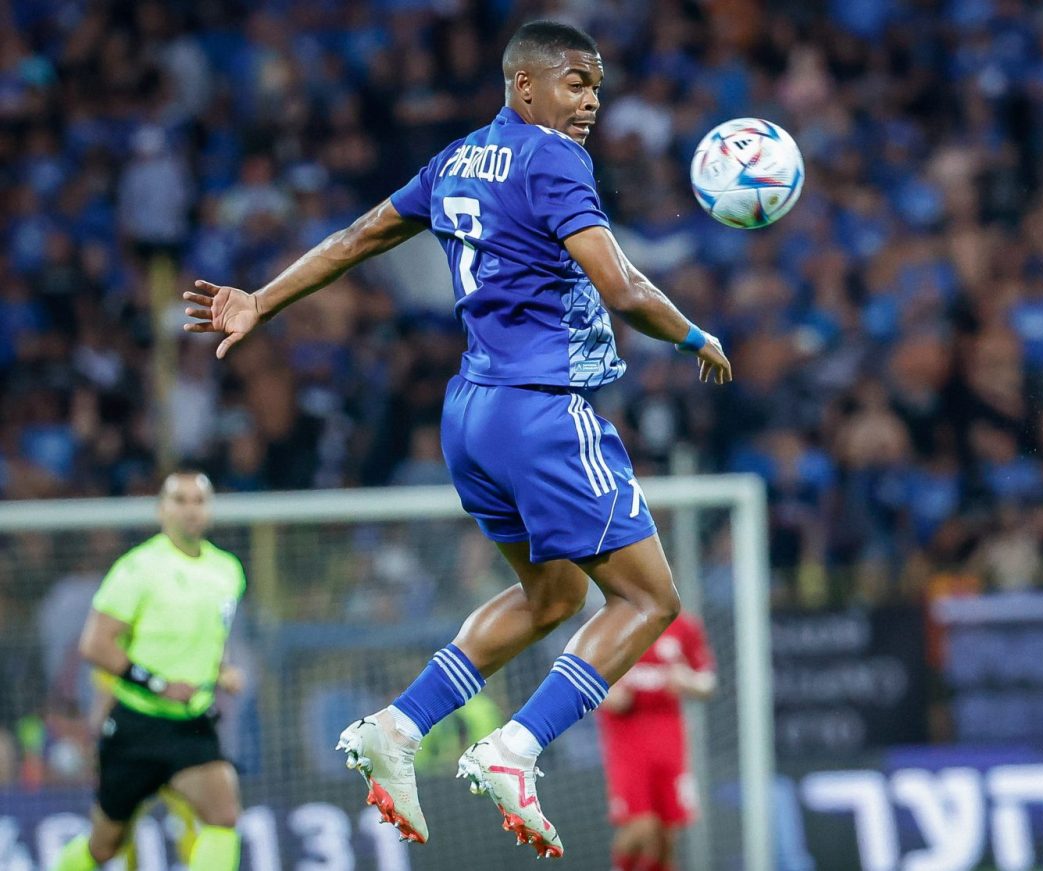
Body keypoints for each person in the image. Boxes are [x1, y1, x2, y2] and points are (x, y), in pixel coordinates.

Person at [184, 20, 731, 858]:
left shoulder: (457, 160)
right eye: (576, 83)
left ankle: (398, 726)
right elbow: (619, 286)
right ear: (525, 86)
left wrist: (262, 298)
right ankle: (517, 747)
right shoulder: (554, 159)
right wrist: (695, 335)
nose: (591, 101)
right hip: (543, 411)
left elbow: (357, 237)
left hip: (471, 416)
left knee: (552, 597)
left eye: (596, 86)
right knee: (650, 600)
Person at [52, 472, 247, 871]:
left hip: (191, 724)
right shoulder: (137, 568)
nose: (190, 510)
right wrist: (158, 684)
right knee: (104, 847)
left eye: (199, 501)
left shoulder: (227, 570)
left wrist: (222, 668)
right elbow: (95, 644)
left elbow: (210, 635)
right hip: (137, 726)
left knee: (224, 815)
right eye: (180, 500)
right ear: (161, 510)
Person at [597, 613, 716, 871]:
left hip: (669, 735)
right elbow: (588, 678)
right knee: (642, 825)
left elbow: (707, 681)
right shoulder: (613, 623)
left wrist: (689, 681)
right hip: (626, 737)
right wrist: (607, 695)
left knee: (666, 834)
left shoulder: (683, 625)